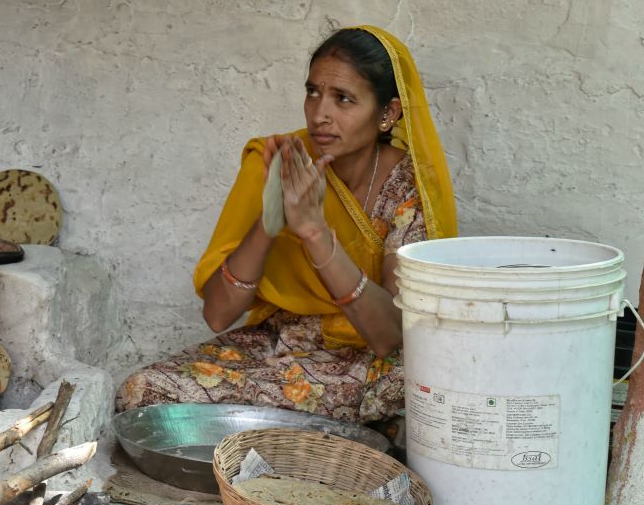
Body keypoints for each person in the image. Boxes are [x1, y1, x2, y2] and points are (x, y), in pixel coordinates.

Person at [116, 25, 457, 424]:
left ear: (388, 113)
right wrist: (272, 218)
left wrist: (314, 232)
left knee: (414, 383)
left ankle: (269, 431)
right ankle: (299, 433)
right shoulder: (280, 161)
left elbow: (389, 336)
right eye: (313, 92)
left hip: (366, 357)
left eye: (343, 99)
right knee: (143, 389)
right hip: (279, 344)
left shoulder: (406, 186)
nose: (320, 114)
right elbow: (219, 316)